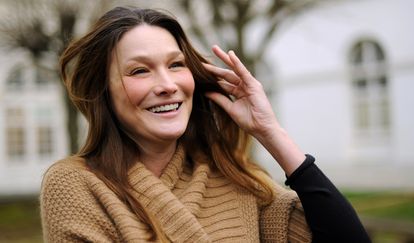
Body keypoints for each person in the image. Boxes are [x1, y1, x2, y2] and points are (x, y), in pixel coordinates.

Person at [40, 6, 371, 243]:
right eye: (140, 70)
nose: (167, 83)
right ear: (103, 91)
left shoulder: (240, 182)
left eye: (176, 65)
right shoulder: (75, 185)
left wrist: (271, 132)